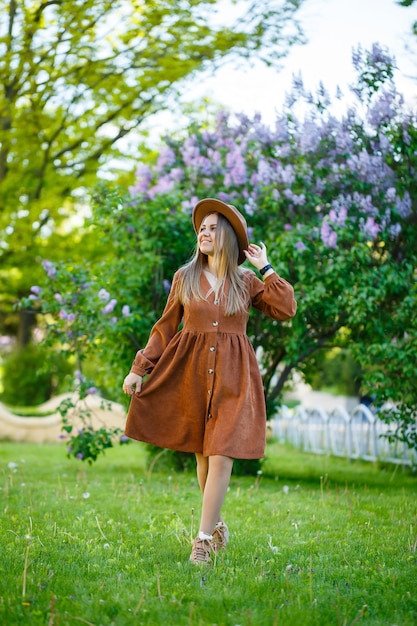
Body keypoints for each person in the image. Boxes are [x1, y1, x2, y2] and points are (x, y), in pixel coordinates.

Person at [122, 197, 297, 565]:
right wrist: (141, 367)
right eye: (202, 228)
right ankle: (216, 525)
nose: (204, 232)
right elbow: (166, 327)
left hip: (235, 378)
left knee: (221, 455)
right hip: (192, 375)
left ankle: (201, 540)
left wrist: (265, 267)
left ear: (229, 237)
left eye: (213, 228)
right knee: (203, 458)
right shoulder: (184, 278)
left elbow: (285, 308)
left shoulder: (246, 281)